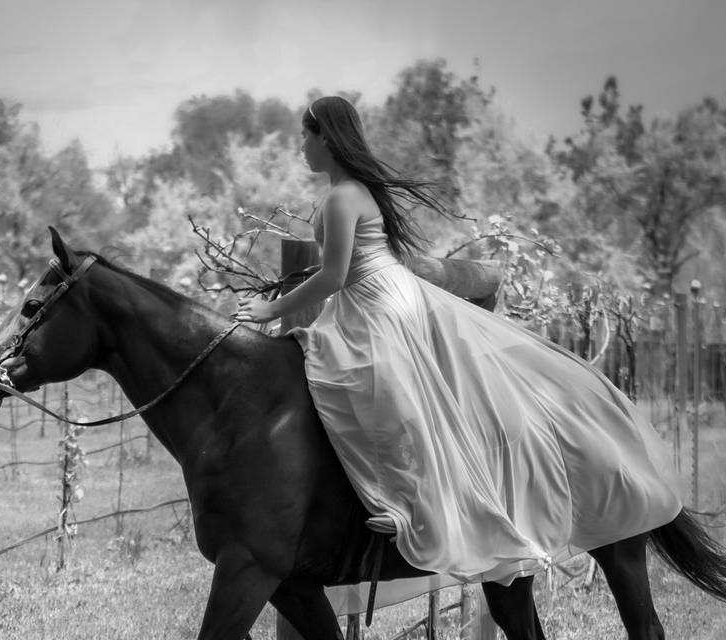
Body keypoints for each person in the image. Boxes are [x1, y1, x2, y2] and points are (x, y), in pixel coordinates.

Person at [234, 95, 682, 586]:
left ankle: (411, 506)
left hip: (376, 299)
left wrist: (272, 308)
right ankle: (396, 492)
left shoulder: (343, 197)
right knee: (371, 383)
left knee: (373, 386)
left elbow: (336, 274)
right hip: (384, 292)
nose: (301, 145)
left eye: (305, 134)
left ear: (326, 137)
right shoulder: (348, 192)